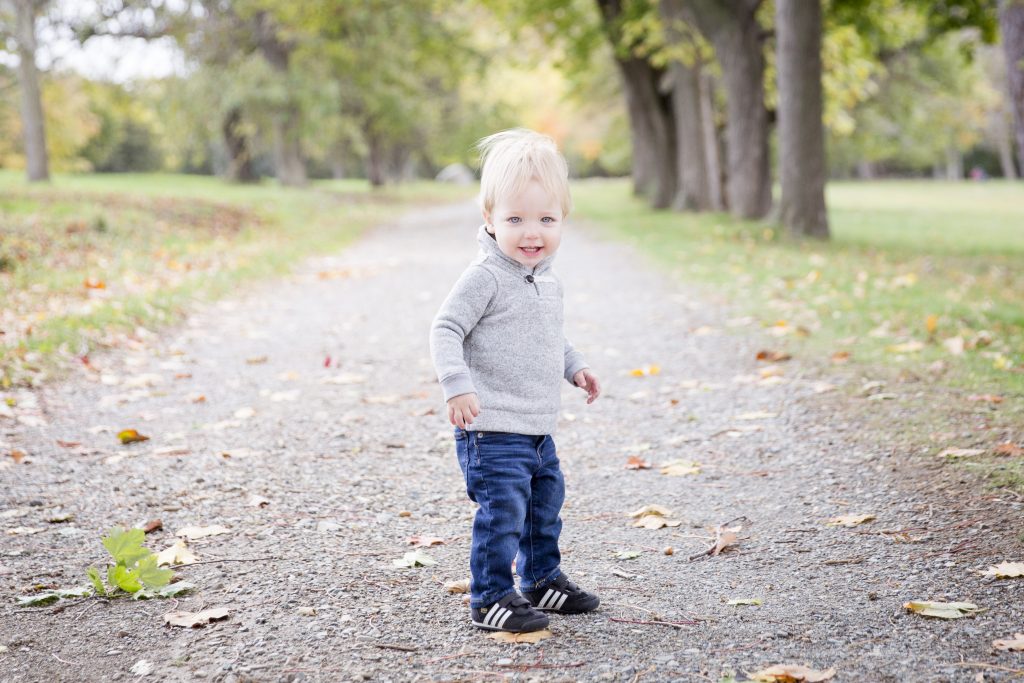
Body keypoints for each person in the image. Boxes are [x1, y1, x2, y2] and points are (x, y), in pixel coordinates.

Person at [429, 128, 602, 633]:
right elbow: (445, 328)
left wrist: (576, 365)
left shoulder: (547, 279)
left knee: (545, 505)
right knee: (503, 512)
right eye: (516, 219)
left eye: (546, 219)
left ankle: (542, 578)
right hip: (492, 426)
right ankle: (490, 596)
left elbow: (551, 337)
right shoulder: (484, 276)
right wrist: (457, 384)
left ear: (563, 220)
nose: (533, 233)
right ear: (489, 218)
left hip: (536, 426)